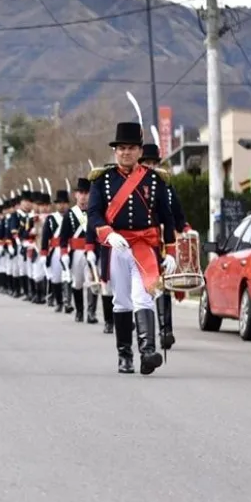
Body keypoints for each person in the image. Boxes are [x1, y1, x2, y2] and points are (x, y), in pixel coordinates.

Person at [87, 122, 178, 375]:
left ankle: (147, 352)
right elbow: (93, 214)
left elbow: (166, 218)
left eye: (131, 148)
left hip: (144, 246)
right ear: (115, 151)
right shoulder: (102, 180)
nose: (126, 152)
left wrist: (170, 251)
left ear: (139, 151)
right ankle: (124, 355)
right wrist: (108, 233)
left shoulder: (154, 180)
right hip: (117, 246)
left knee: (144, 296)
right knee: (122, 301)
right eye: (121, 148)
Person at [139, 142, 191, 352]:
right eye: (147, 162)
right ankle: (148, 329)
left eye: (154, 163)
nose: (151, 166)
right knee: (151, 286)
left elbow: (177, 213)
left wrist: (185, 228)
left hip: (165, 238)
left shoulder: (166, 186)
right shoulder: (136, 184)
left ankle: (166, 331)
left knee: (166, 285)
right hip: (145, 241)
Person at [59, 178, 99, 325]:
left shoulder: (95, 212)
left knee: (91, 281)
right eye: (81, 193)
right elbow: (63, 236)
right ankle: (80, 311)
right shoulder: (70, 214)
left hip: (91, 251)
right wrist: (64, 253)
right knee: (77, 282)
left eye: (86, 193)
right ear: (76, 195)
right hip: (75, 252)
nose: (83, 196)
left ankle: (91, 312)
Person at [41, 189, 70, 313]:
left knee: (68, 277)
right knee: (56, 278)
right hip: (55, 251)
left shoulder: (72, 216)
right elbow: (45, 237)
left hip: (69, 249)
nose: (61, 205)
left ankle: (67, 302)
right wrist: (44, 252)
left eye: (64, 203)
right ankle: (59, 302)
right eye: (59, 203)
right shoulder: (51, 219)